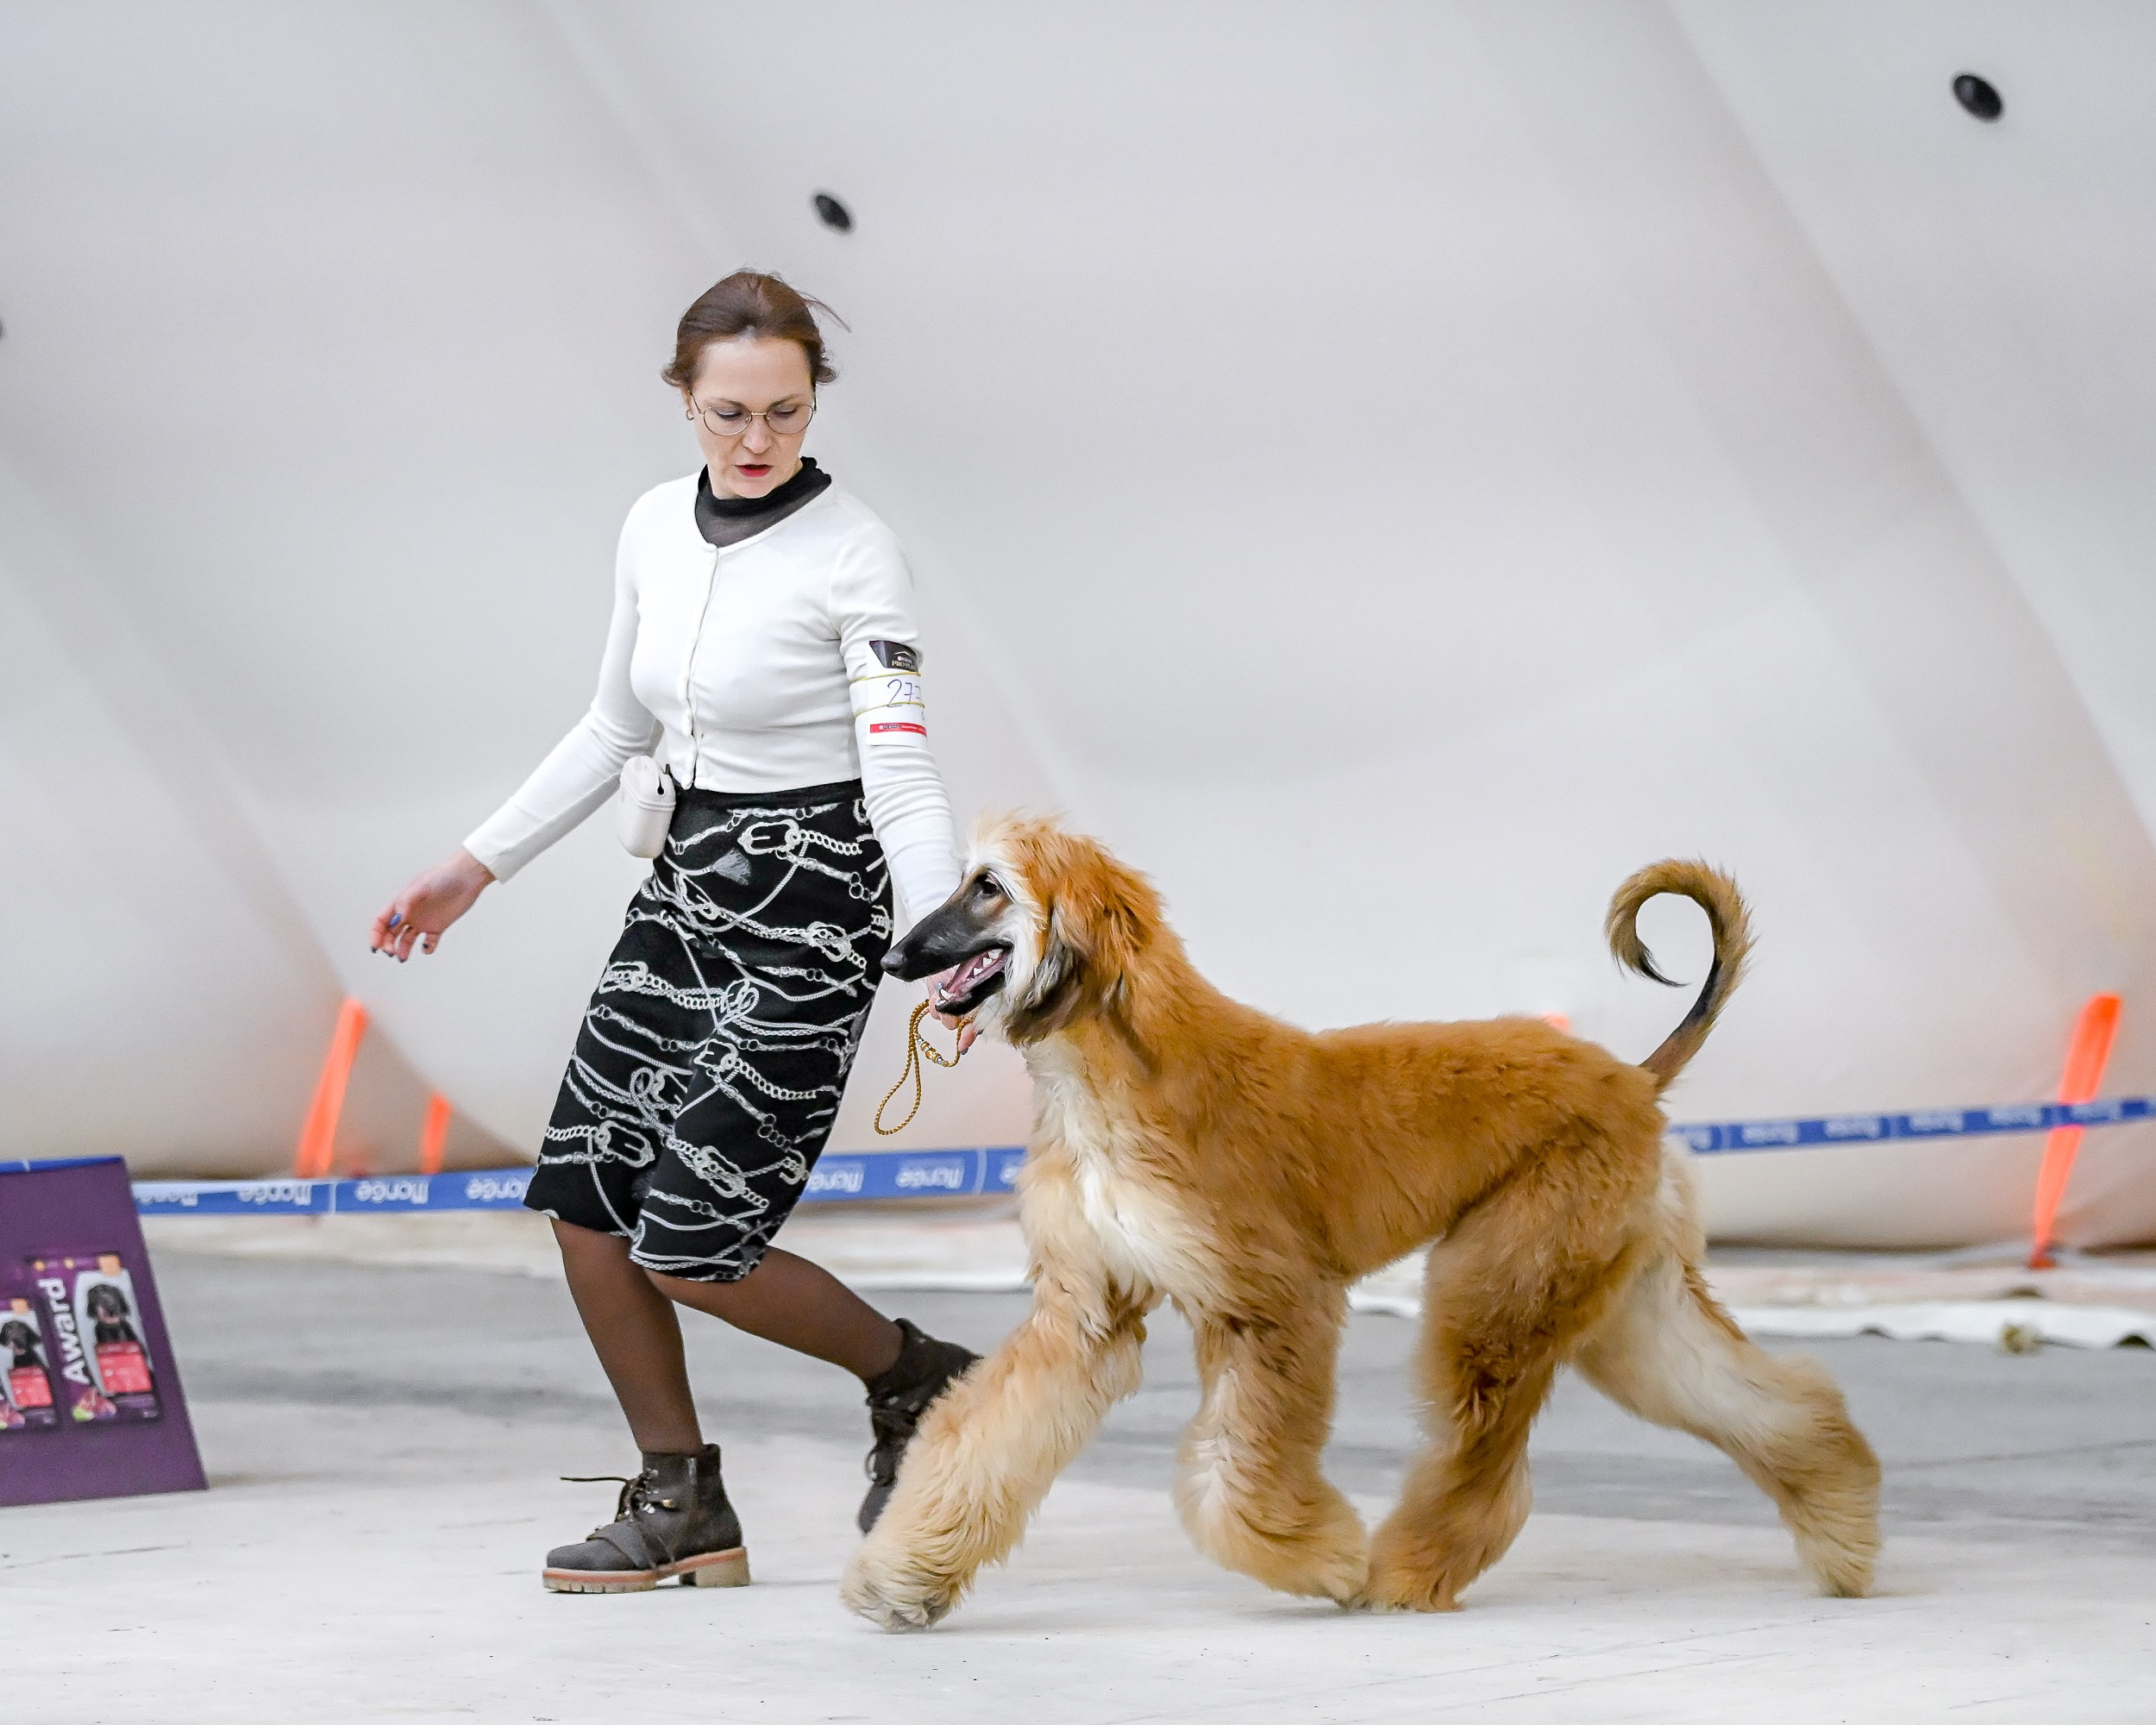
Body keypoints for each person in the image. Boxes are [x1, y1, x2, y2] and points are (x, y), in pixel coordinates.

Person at [372, 271, 981, 1595]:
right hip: (691, 881)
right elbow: (613, 728)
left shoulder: (856, 549)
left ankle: (919, 1381)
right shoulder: (652, 525)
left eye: (784, 411)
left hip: (820, 905)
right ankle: (680, 1500)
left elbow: (900, 766)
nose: (755, 441)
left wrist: (942, 932)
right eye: (726, 413)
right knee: (585, 1197)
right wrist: (474, 868)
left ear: (815, 401)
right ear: (683, 400)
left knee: (693, 1240)